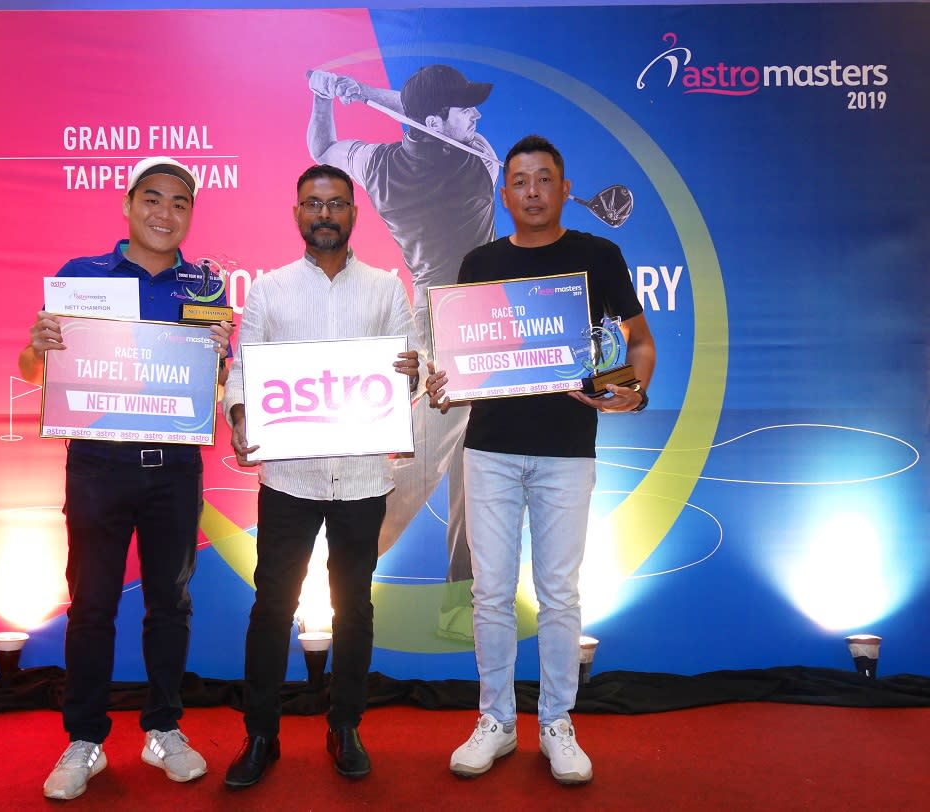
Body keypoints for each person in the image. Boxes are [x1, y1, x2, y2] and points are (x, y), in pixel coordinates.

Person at [427, 135, 655, 785]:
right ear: (505, 194)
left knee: (558, 594)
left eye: (544, 179)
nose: (531, 190)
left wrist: (632, 393)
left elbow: (637, 341)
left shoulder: (597, 254)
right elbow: (458, 361)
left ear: (563, 187)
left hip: (567, 452)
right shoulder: (479, 262)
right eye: (520, 181)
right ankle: (495, 721)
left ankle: (557, 722)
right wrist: (445, 384)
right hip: (491, 450)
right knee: (492, 594)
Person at [18, 157, 233, 800]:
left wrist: (220, 359)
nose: (165, 213)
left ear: (191, 214)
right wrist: (39, 344)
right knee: (92, 606)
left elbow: (213, 388)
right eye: (153, 199)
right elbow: (36, 373)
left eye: (180, 203)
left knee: (171, 603)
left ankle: (163, 727)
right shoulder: (81, 280)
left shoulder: (206, 289)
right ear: (128, 204)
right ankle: (85, 738)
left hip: (174, 468)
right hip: (97, 467)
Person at [222, 164, 420, 788]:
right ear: (297, 214)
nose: (325, 214)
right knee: (271, 606)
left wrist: (411, 373)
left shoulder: (388, 290)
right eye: (313, 203)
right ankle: (260, 734)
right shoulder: (271, 291)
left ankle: (345, 725)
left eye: (336, 203)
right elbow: (243, 372)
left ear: (354, 213)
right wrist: (238, 413)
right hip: (289, 479)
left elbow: (408, 373)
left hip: (363, 479)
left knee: (354, 606)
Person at [307, 64, 499, 641]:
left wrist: (329, 97)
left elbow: (322, 146)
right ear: (438, 120)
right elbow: (422, 111)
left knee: (473, 459)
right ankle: (350, 566)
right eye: (465, 109)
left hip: (433, 311)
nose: (477, 117)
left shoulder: (380, 165)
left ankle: (460, 601)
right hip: (473, 318)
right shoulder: (480, 162)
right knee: (425, 457)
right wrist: (367, 93)